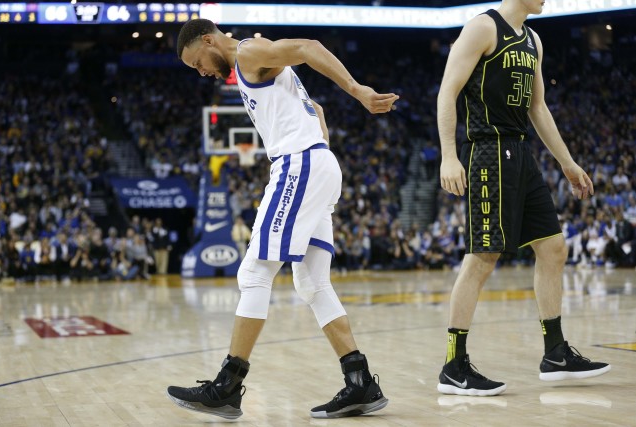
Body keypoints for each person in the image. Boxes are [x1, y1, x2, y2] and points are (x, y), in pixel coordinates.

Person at [167, 19, 397, 419]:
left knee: (254, 272)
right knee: (312, 282)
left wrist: (358, 91)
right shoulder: (252, 58)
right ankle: (359, 381)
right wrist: (320, 148)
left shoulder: (249, 54)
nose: (201, 71)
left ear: (208, 40)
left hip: (300, 164)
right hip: (318, 163)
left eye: (197, 62)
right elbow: (317, 108)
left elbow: (309, 46)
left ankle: (228, 385)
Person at [436, 0, 610, 396]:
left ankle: (555, 354)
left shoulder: (533, 39)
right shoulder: (483, 28)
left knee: (553, 248)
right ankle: (453, 364)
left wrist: (566, 162)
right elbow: (447, 91)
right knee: (483, 256)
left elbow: (537, 105)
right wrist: (449, 155)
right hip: (488, 150)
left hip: (520, 151)